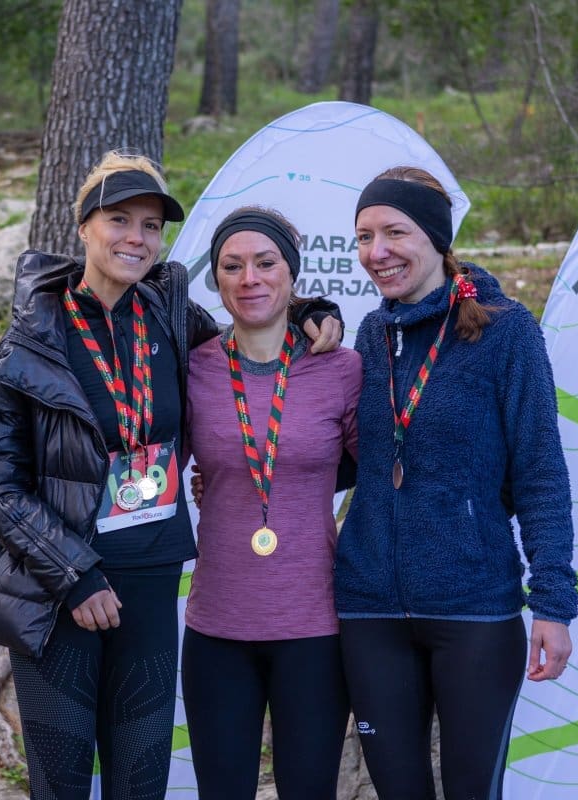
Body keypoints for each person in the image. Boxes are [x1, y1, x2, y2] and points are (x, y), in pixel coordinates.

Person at [0, 151, 342, 800]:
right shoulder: (30, 341)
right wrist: (76, 575)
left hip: (150, 585)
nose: (136, 238)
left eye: (150, 225)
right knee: (61, 787)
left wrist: (311, 308)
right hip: (59, 596)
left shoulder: (170, 316)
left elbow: (251, 332)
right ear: (83, 226)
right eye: (119, 220)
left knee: (141, 785)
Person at [333, 166, 578, 799]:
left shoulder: (506, 331)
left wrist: (553, 603)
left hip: (474, 608)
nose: (377, 252)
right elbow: (357, 454)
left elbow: (540, 472)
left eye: (394, 232)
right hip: (370, 608)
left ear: (436, 238)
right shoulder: (371, 333)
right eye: (364, 237)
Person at [181, 207, 360, 799]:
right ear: (216, 278)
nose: (249, 278)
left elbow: (381, 473)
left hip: (314, 625)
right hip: (218, 625)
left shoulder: (341, 368)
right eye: (232, 266)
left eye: (265, 263)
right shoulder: (192, 368)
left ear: (292, 273)